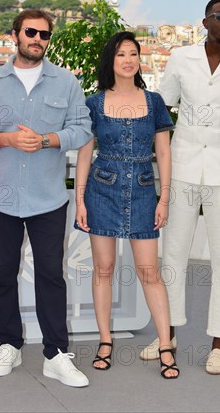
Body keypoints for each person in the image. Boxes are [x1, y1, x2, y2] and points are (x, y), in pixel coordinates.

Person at [0, 9, 93, 387]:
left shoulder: (67, 83)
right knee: (3, 274)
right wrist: (7, 139)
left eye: (44, 35)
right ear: (15, 35)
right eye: (30, 32)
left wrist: (45, 140)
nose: (37, 39)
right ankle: (9, 343)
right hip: (0, 197)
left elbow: (82, 129)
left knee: (51, 276)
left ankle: (56, 354)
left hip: (48, 198)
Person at [140, 0, 220, 374]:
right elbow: (163, 109)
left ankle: (219, 344)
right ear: (205, 22)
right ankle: (166, 334)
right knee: (173, 253)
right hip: (184, 166)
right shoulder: (181, 59)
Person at [75, 31, 180, 379]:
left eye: (133, 53)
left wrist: (164, 198)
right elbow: (85, 154)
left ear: (139, 60)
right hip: (101, 190)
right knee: (103, 268)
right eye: (121, 54)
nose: (128, 59)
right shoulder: (93, 103)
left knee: (149, 271)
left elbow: (163, 152)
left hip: (143, 191)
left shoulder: (154, 102)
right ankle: (105, 340)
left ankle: (166, 344)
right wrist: (80, 200)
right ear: (111, 61)